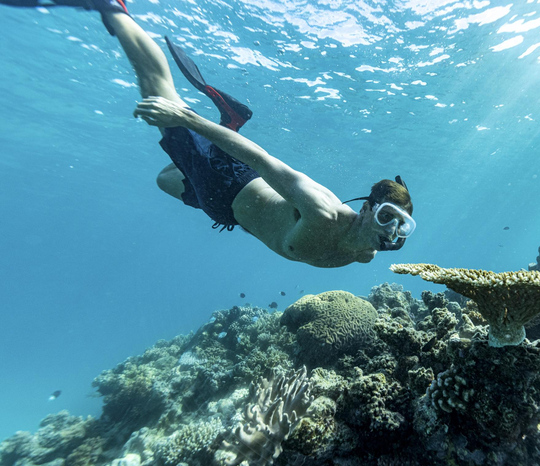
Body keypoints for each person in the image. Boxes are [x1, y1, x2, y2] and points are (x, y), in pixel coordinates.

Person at [1, 0, 416, 268]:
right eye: (386, 217)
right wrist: (186, 117)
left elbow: (364, 248)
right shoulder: (323, 211)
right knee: (159, 95)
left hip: (224, 211)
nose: (389, 232)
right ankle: (113, 9)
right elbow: (263, 161)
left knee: (165, 180)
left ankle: (228, 122)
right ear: (366, 209)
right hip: (230, 183)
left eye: (399, 227)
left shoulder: (365, 253)